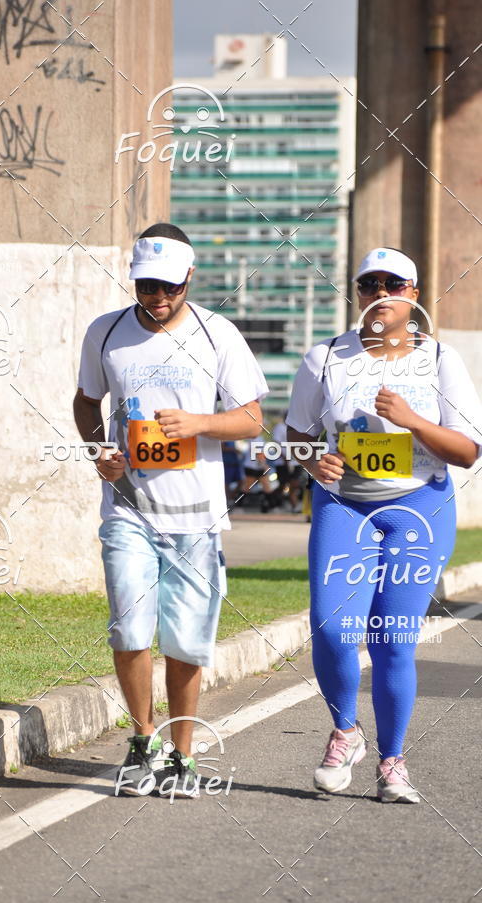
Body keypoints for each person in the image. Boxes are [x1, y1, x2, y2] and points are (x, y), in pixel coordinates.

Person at [73, 223, 268, 797]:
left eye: (168, 287)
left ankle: (181, 755)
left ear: (189, 278)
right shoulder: (105, 333)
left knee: (185, 641)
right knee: (130, 628)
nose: (157, 298)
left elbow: (252, 418)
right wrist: (100, 453)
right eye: (145, 287)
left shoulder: (218, 334)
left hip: (196, 515)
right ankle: (142, 742)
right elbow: (87, 401)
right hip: (129, 508)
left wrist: (201, 424)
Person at [285, 247, 482, 803]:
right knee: (330, 626)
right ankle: (345, 732)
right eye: (368, 283)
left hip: (418, 509)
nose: (379, 293)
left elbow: (467, 452)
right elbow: (296, 432)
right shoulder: (324, 358)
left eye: (392, 284)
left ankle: (392, 761)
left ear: (413, 296)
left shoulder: (441, 360)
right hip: (344, 504)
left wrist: (412, 419)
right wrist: (310, 460)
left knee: (392, 639)